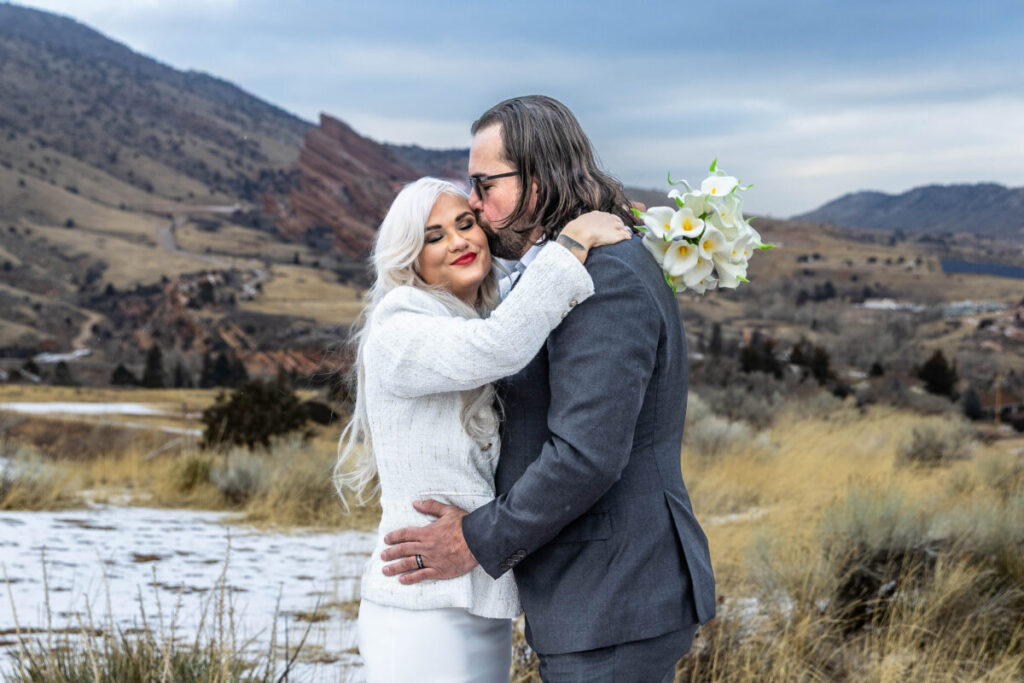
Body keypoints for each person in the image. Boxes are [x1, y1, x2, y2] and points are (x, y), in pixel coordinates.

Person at [380, 96, 716, 682]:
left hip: (613, 591)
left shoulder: (602, 280)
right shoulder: (573, 266)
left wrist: (474, 540)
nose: (478, 209)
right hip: (599, 593)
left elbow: (585, 455)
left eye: (485, 187)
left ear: (535, 181)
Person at [334, 176, 630, 682]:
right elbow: (499, 345)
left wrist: (615, 222)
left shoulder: (468, 314)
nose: (458, 241)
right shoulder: (398, 327)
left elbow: (521, 304)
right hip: (421, 604)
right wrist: (575, 243)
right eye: (434, 236)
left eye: (466, 223)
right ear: (410, 258)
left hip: (473, 596)